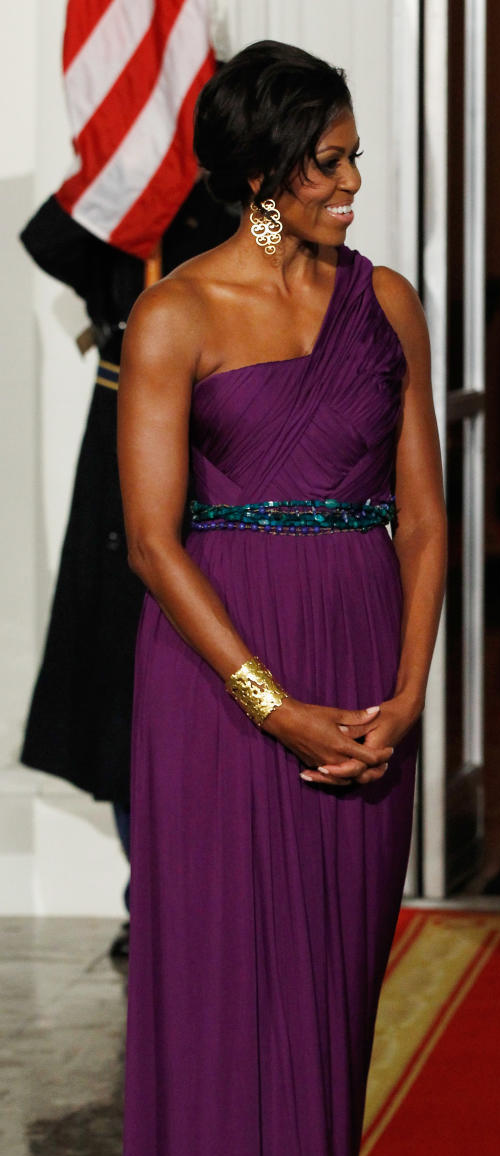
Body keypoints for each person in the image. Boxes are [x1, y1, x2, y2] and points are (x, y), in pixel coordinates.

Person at [117, 41, 445, 1156]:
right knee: (228, 1012)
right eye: (330, 162)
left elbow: (424, 514)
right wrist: (270, 702)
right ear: (262, 170)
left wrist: (413, 690)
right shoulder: (177, 314)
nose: (355, 184)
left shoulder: (391, 304)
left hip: (370, 676)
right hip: (221, 696)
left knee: (328, 1013)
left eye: (357, 156)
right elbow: (148, 541)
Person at [19, 184, 236, 957]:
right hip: (119, 447)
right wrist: (116, 169)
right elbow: (45, 238)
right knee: (119, 688)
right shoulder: (125, 200)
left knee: (213, 682)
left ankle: (210, 895)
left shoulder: (243, 206)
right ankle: (148, 895)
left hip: (218, 441)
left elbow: (282, 263)